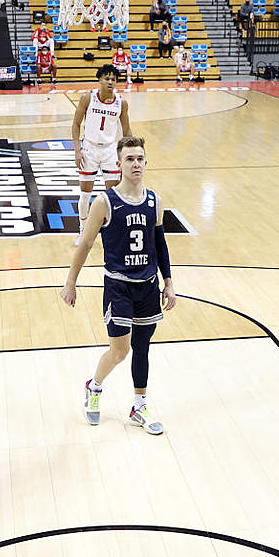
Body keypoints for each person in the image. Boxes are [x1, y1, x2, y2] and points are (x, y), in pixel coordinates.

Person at [60, 136, 176, 436]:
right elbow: (85, 243)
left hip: (148, 286)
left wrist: (168, 282)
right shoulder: (105, 202)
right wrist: (70, 283)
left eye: (140, 159)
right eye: (129, 159)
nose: (135, 164)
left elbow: (159, 244)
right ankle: (94, 386)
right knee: (120, 350)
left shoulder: (155, 201)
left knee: (142, 347)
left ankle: (139, 405)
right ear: (119, 164)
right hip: (118, 287)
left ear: (146, 163)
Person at [71, 64, 132, 245]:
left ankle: (110, 231)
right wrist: (77, 150)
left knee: (111, 195)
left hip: (110, 150)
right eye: (107, 78)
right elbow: (76, 124)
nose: (110, 82)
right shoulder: (87, 98)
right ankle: (83, 230)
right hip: (89, 148)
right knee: (84, 194)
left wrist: (129, 153)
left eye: (113, 79)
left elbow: (127, 129)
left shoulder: (122, 103)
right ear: (100, 80)